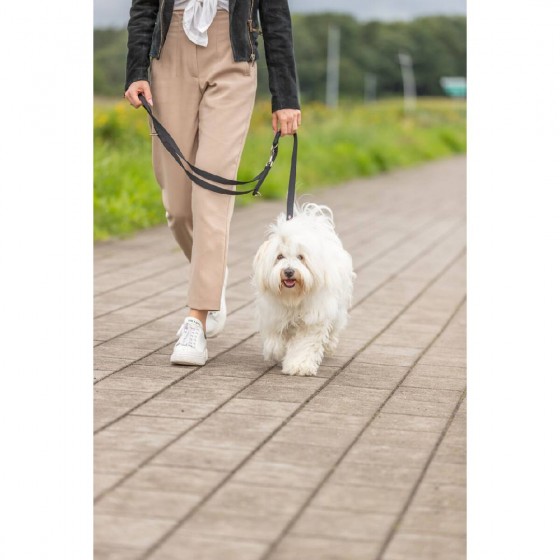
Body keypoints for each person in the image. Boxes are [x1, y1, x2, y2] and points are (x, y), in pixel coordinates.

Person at [124, 0, 301, 366]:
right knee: (177, 208)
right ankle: (211, 275)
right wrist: (135, 70)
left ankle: (197, 319)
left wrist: (285, 97)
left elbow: (276, 18)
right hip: (169, 51)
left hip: (232, 55)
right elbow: (143, 6)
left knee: (211, 193)